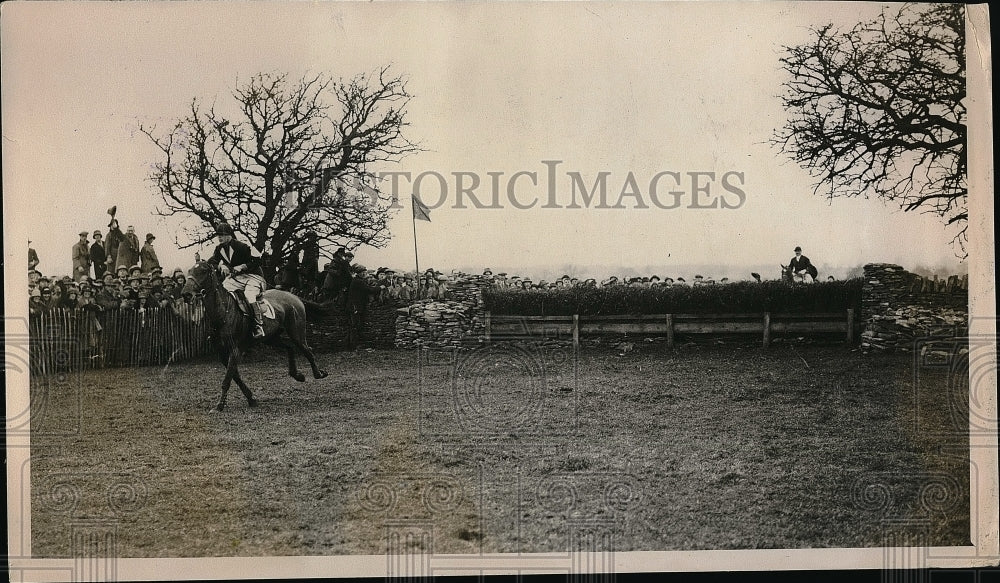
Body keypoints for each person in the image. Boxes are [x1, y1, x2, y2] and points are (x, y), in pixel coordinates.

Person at [208, 223, 268, 338]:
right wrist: (221, 266)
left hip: (254, 277)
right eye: (218, 235)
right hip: (237, 278)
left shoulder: (242, 246)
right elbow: (212, 262)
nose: (219, 237)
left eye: (222, 235)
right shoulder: (219, 248)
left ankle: (258, 325)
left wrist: (243, 266)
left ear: (229, 235)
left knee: (249, 295)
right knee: (222, 292)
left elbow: (257, 261)